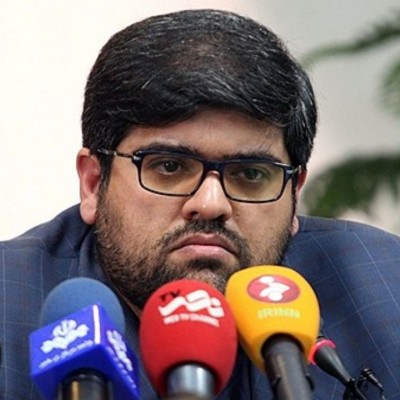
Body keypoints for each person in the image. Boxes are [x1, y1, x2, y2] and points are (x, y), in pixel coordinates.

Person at [1, 8, 399, 400]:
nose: (210, 204)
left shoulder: (384, 287)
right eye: (169, 167)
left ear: (293, 196)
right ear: (93, 183)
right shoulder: (9, 307)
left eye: (251, 174)